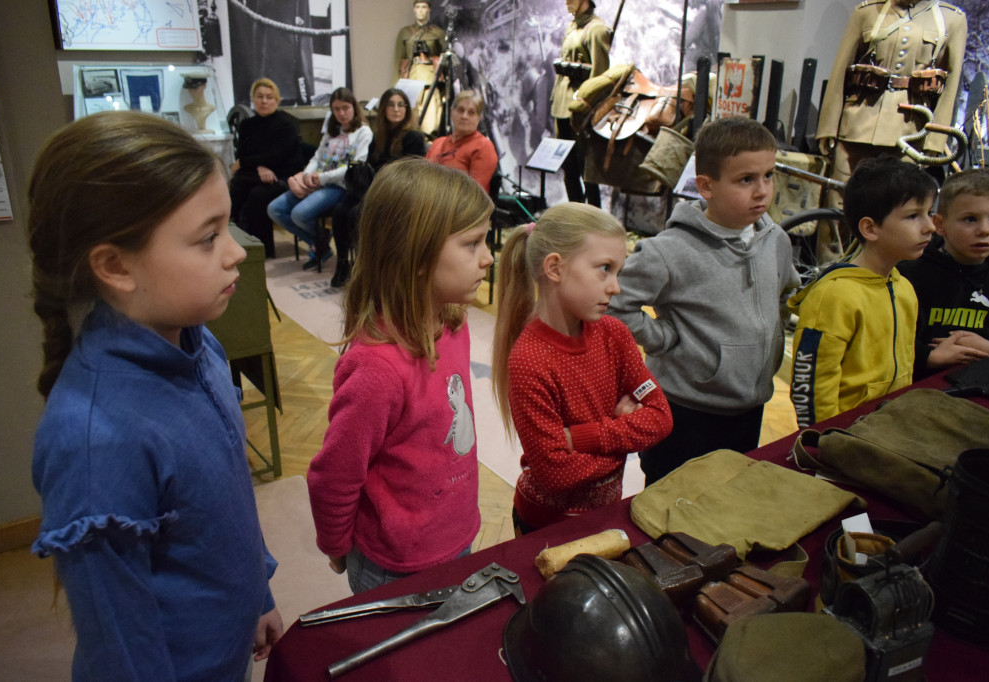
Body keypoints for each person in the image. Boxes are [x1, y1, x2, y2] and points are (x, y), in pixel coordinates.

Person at [27, 111, 282, 680]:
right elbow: (120, 648)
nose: (236, 251)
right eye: (207, 237)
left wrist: (256, 592)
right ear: (116, 265)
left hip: (228, 648)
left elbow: (224, 498)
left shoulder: (199, 340)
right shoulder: (97, 441)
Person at [308, 157, 494, 594]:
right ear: (416, 254)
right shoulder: (377, 370)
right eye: (472, 244)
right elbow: (336, 472)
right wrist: (335, 542)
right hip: (395, 564)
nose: (488, 258)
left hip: (455, 535)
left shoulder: (452, 322)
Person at [608, 117, 800, 486]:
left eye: (768, 175)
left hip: (750, 404)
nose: (762, 191)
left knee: (727, 497)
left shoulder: (776, 239)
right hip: (684, 411)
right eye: (746, 179)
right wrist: (663, 338)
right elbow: (616, 303)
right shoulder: (670, 250)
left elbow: (785, 293)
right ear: (706, 186)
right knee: (669, 506)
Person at [492, 203, 673, 534]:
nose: (615, 287)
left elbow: (661, 418)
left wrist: (580, 437)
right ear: (555, 268)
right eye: (604, 268)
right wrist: (623, 433)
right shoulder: (529, 360)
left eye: (618, 271)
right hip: (545, 525)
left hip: (603, 515)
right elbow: (556, 475)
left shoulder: (615, 334)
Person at [789, 155, 938, 427]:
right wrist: (820, 439)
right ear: (870, 228)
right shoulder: (835, 296)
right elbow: (811, 386)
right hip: (844, 436)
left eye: (929, 213)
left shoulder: (903, 287)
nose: (930, 226)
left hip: (887, 427)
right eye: (913, 216)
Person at [815, 0, 966, 258]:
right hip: (857, 126)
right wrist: (828, 126)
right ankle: (828, 272)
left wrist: (936, 141)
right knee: (839, 205)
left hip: (910, 133)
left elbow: (951, 84)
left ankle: (884, 276)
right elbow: (840, 69)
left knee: (898, 210)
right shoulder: (867, 12)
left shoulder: (951, 19)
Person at [897, 168, 989, 380]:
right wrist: (929, 357)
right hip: (921, 388)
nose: (985, 230)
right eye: (970, 219)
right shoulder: (910, 274)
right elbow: (890, 341)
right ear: (940, 225)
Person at [329, 87, 428, 288]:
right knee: (340, 211)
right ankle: (343, 263)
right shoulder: (379, 136)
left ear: (408, 110)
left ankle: (370, 268)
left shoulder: (414, 137)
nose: (396, 109)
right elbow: (371, 167)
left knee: (360, 214)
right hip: (375, 189)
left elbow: (414, 174)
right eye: (391, 104)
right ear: (383, 109)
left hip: (401, 193)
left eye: (401, 105)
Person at [267, 87, 372, 270]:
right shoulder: (332, 131)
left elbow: (354, 166)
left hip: (339, 186)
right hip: (317, 183)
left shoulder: (363, 132)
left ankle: (320, 245)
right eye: (336, 109)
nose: (341, 113)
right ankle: (320, 241)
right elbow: (317, 157)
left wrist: (321, 178)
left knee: (299, 214)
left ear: (354, 108)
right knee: (274, 209)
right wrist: (307, 175)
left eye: (345, 108)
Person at [229, 77, 304, 258]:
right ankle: (238, 241)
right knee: (237, 185)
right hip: (256, 174)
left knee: (258, 195)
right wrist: (260, 167)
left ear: (276, 100)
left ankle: (263, 249)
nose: (264, 101)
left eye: (269, 97)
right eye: (259, 96)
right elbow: (242, 152)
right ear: (253, 99)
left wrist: (251, 163)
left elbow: (278, 156)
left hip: (283, 175)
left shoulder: (287, 123)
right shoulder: (247, 125)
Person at [552, 0, 610, 207]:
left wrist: (590, 107)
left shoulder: (597, 30)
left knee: (587, 170)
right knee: (569, 168)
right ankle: (575, 214)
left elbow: (600, 76)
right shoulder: (572, 27)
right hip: (562, 105)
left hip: (581, 109)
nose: (567, 2)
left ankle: (593, 217)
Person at [425, 89, 499, 192]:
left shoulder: (483, 146)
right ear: (452, 112)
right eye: (460, 110)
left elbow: (475, 192)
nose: (464, 116)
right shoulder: (438, 143)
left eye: (471, 112)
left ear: (478, 118)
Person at [395, 0, 447, 134]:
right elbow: (399, 59)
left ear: (429, 10)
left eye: (424, 7)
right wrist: (397, 85)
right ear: (414, 9)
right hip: (411, 79)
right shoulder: (405, 32)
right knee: (410, 118)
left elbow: (445, 60)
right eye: (418, 7)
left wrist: (445, 89)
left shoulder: (437, 33)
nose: (421, 10)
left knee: (431, 117)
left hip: (430, 79)